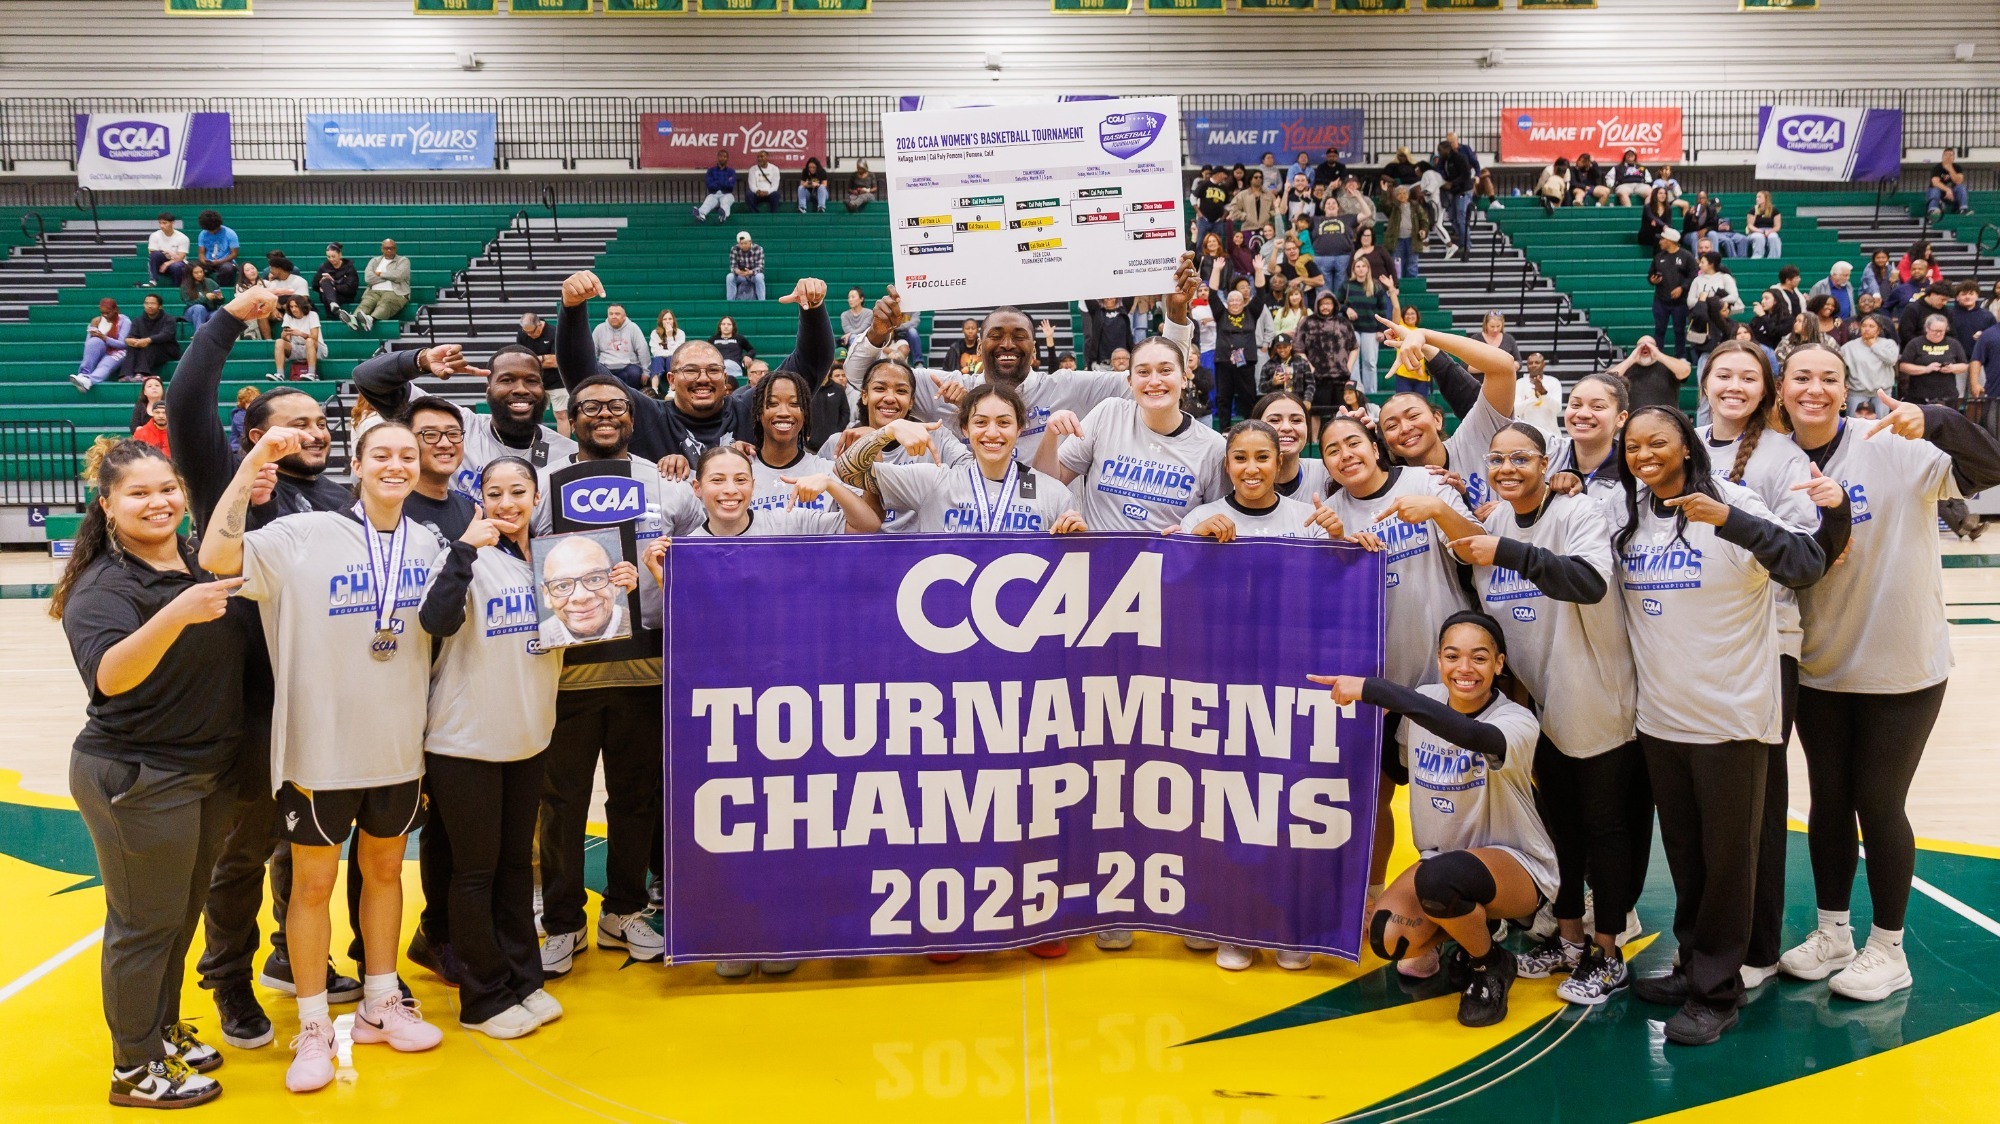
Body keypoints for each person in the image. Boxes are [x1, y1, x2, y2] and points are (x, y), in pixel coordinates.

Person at [200, 421, 450, 1092]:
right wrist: (253, 458)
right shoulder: (301, 535)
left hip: (399, 747)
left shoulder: (429, 543)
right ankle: (313, 1026)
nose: (396, 465)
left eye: (407, 455)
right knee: (311, 885)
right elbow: (216, 558)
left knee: (387, 873)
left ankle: (379, 1000)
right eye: (383, 455)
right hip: (319, 749)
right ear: (358, 466)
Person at [163, 291, 367, 1051]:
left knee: (307, 844)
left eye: (321, 422)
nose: (315, 432)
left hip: (320, 697)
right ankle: (229, 982)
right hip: (247, 700)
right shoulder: (230, 479)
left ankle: (289, 956)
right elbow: (187, 402)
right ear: (255, 436)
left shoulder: (344, 498)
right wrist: (229, 319)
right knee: (244, 851)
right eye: (296, 422)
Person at [1776, 345, 2000, 1003]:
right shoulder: (1772, 461)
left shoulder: (1893, 445)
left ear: (1847, 390)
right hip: (1819, 665)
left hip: (1902, 665)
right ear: (1782, 388)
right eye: (1801, 377)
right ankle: (1833, 933)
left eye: (1829, 378)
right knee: (1827, 803)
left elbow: (1988, 466)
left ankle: (1890, 947)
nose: (1815, 389)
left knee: (1879, 802)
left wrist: (1935, 419)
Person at [1613, 405, 1835, 1045]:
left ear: (1687, 446)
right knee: (1685, 858)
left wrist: (1731, 521)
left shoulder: (1734, 500)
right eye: (1633, 446)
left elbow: (1807, 563)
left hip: (1732, 719)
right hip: (1661, 718)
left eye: (1659, 442)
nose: (1644, 454)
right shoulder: (1631, 514)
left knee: (1729, 863)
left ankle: (1719, 990)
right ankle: (1692, 965)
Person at [51, 439, 254, 1109]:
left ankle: (161, 1032)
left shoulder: (201, 559)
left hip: (202, 772)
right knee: (142, 925)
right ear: (107, 505)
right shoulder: (104, 586)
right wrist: (176, 613)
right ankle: (133, 1070)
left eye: (166, 488)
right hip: (138, 775)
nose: (158, 502)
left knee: (178, 915)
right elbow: (110, 676)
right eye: (138, 493)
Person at [1442, 423, 1645, 1004]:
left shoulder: (1577, 512)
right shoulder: (1497, 519)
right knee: (1562, 830)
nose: (1508, 468)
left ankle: (1609, 951)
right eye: (1498, 458)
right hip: (1539, 703)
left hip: (1595, 694)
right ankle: (1571, 938)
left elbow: (1586, 581)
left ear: (1546, 460)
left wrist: (1506, 551)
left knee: (1604, 829)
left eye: (1521, 458)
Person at [1309, 613, 1551, 1027]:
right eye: (1452, 656)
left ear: (1499, 663)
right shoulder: (1425, 700)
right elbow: (1404, 763)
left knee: (1440, 879)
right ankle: (1466, 932)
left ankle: (1488, 965)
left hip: (1518, 866)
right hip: (1442, 862)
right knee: (1389, 939)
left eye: (1479, 658)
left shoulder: (1516, 721)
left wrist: (1376, 690)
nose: (1464, 669)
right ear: (1438, 660)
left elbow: (1473, 736)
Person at [414, 456, 565, 1039]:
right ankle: (481, 998)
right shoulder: (464, 556)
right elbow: (435, 619)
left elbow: (580, 629)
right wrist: (462, 551)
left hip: (528, 735)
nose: (507, 503)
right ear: (480, 500)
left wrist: (609, 590)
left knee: (511, 869)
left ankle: (523, 980)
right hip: (465, 741)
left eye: (518, 491)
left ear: (535, 496)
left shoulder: (556, 561)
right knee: (474, 873)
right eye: (495, 493)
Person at [557, 272, 832, 466]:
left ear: (726, 379)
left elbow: (808, 365)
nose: (703, 378)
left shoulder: (751, 409)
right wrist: (572, 308)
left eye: (713, 370)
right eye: (690, 371)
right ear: (671, 379)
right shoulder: (647, 416)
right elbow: (585, 379)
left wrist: (813, 309)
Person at [1037, 335, 1227, 542]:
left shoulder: (1213, 447)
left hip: (1168, 570)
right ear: (1130, 381)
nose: (1154, 381)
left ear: (1183, 378)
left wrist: (1194, 531)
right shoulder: (1108, 414)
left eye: (1165, 370)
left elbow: (1221, 520)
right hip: (1100, 566)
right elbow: (1049, 482)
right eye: (1143, 372)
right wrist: (1050, 435)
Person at [353, 333, 579, 505]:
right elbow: (366, 377)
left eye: (531, 381)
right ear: (488, 388)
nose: (521, 389)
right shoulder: (454, 426)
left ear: (543, 388)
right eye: (507, 380)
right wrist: (422, 360)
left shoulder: (567, 455)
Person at [1375, 324, 1522, 512]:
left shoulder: (1474, 436)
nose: (1405, 428)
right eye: (1391, 426)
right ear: (1386, 441)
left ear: (1437, 419)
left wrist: (1424, 336)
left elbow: (1504, 367)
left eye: (1413, 415)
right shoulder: (1395, 490)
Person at [536, 535, 635, 648]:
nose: (581, 596)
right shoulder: (536, 636)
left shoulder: (639, 624)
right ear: (546, 595)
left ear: (616, 583)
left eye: (594, 579)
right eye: (563, 586)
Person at [1340, 257, 1397, 394]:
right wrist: (1346, 309)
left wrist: (1380, 330)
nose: (1360, 269)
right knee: (1353, 363)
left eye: (1363, 266)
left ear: (1367, 269)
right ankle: (1356, 391)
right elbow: (1336, 303)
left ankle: (1371, 393)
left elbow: (1382, 309)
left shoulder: (1376, 286)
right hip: (1352, 329)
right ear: (1353, 269)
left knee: (1370, 362)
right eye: (1357, 266)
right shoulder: (1347, 285)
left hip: (1371, 329)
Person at [1897, 313, 1969, 405]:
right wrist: (1926, 369)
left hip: (1947, 395)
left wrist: (1952, 368)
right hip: (1919, 395)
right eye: (1935, 331)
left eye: (1942, 331)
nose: (1938, 334)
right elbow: (1903, 366)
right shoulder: (1915, 343)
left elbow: (1964, 366)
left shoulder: (1953, 343)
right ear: (1927, 329)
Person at [1839, 310, 1901, 416]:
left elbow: (1892, 360)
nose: (1867, 329)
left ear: (1879, 330)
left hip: (1882, 392)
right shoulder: (1848, 347)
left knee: (1882, 424)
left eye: (1871, 326)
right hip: (1857, 392)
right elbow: (1841, 369)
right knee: (1855, 423)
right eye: (1864, 326)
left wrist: (1873, 346)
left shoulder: (1889, 344)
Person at [1609, 336, 1691, 414]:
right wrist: (1631, 359)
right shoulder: (1626, 368)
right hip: (1634, 422)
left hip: (1666, 421)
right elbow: (1607, 381)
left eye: (1650, 345)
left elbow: (1685, 370)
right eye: (1640, 345)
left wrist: (1658, 355)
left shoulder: (1669, 366)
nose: (1645, 347)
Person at [1649, 228, 1697, 359]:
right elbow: (1650, 275)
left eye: (1663, 239)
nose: (1660, 242)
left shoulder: (1686, 256)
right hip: (1661, 300)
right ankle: (1657, 356)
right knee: (1659, 329)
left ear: (1670, 241)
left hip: (1680, 302)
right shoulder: (1659, 257)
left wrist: (1682, 288)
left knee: (1679, 330)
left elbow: (1693, 275)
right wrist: (1653, 280)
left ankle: (1680, 355)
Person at [347, 239, 410, 332]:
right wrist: (389, 275)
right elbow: (368, 278)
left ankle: (371, 319)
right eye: (386, 248)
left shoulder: (403, 260)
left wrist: (379, 273)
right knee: (366, 303)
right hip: (373, 290)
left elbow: (399, 276)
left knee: (385, 302)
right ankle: (354, 320)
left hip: (395, 292)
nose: (389, 250)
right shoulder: (375, 261)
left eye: (392, 248)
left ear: (396, 249)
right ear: (382, 249)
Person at [72, 298, 133, 393]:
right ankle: (84, 374)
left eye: (108, 313)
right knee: (94, 341)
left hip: (118, 351)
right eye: (102, 313)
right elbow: (88, 344)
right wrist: (93, 329)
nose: (105, 315)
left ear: (115, 310)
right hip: (102, 349)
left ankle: (89, 381)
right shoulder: (97, 321)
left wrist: (104, 337)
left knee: (105, 364)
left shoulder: (125, 321)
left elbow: (122, 344)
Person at [120, 293, 182, 383]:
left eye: (153, 303)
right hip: (145, 350)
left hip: (167, 350)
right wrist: (129, 340)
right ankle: (126, 374)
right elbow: (132, 335)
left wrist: (148, 340)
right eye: (147, 303)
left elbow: (166, 335)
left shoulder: (169, 319)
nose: (149, 306)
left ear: (160, 306)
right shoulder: (138, 320)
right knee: (131, 347)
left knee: (151, 344)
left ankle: (142, 374)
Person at [592, 304, 649, 389]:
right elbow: (591, 352)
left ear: (624, 316)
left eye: (617, 314)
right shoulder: (599, 329)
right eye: (611, 314)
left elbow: (642, 349)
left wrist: (646, 371)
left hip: (628, 366)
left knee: (635, 374)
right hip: (605, 366)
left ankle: (630, 400)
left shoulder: (633, 328)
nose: (614, 316)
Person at [271, 295, 324, 382]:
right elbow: (287, 338)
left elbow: (314, 337)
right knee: (279, 342)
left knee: (309, 341)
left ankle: (312, 373)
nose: (294, 309)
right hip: (296, 348)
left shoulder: (313, 315)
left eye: (296, 306)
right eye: (291, 307)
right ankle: (280, 374)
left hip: (315, 348)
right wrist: (284, 336)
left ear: (302, 306)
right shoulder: (288, 316)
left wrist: (300, 334)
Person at [1381, 185, 1430, 280]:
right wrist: (1384, 192)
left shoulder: (1415, 206)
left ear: (1408, 194)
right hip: (1397, 239)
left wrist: (1423, 230)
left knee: (1412, 263)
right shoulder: (1393, 207)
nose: (1402, 195)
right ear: (1395, 196)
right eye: (1399, 194)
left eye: (1404, 193)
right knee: (1397, 263)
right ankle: (1397, 284)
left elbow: (1424, 220)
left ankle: (1411, 286)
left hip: (1413, 239)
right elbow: (1384, 205)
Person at [1514, 354, 1562, 438]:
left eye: (1537, 362)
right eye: (1530, 363)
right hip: (1527, 435)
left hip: (1550, 434)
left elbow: (1557, 409)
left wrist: (1543, 393)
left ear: (1544, 364)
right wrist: (1533, 398)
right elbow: (1516, 410)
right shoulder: (1520, 383)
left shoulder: (1553, 382)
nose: (1533, 365)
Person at [313, 243, 359, 321]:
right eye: (328, 257)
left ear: (340, 254)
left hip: (345, 295)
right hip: (328, 292)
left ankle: (332, 315)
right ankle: (333, 304)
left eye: (333, 256)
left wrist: (335, 287)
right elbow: (314, 285)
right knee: (325, 281)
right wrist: (320, 286)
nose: (331, 259)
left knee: (326, 295)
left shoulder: (349, 268)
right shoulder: (323, 267)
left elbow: (351, 287)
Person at [144, 212, 190, 289]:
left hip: (177, 263)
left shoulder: (182, 238)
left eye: (165, 223)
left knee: (176, 266)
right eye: (160, 223)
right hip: (161, 262)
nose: (162, 226)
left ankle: (176, 287)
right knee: (155, 255)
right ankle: (153, 280)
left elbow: (181, 257)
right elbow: (152, 251)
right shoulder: (155, 235)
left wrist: (167, 263)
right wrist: (166, 253)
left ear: (172, 223)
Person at [195, 210, 239, 284]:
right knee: (191, 267)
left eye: (214, 230)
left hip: (226, 261)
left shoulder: (230, 233)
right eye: (209, 230)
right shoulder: (203, 234)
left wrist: (219, 261)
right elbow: (201, 253)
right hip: (209, 262)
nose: (212, 232)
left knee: (227, 269)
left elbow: (234, 254)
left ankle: (220, 290)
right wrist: (203, 260)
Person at [648, 309, 686, 395]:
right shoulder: (655, 333)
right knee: (657, 360)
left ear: (673, 320)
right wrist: (670, 352)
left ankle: (672, 389)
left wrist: (670, 336)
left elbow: (678, 353)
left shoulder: (680, 333)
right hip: (660, 360)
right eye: (665, 319)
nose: (668, 321)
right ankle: (654, 390)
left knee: (670, 359)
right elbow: (655, 352)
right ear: (661, 321)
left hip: (674, 360)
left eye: (670, 319)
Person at [1927, 148, 1972, 218]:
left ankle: (1963, 209)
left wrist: (1950, 169)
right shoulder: (1937, 168)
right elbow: (1935, 182)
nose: (1948, 157)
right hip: (1940, 193)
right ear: (1942, 157)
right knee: (1934, 189)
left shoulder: (1957, 168)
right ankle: (1932, 210)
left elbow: (1959, 181)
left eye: (1950, 155)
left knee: (1961, 187)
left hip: (1952, 195)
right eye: (1946, 155)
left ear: (1954, 158)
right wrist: (1948, 190)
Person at [695, 149, 737, 223]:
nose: (722, 158)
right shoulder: (711, 171)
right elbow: (710, 185)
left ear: (727, 158)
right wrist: (725, 181)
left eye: (725, 156)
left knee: (725, 201)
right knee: (708, 201)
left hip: (727, 193)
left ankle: (723, 215)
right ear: (717, 157)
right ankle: (701, 214)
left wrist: (717, 182)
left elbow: (730, 186)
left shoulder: (731, 171)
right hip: (714, 194)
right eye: (721, 156)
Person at [180, 263, 224, 334]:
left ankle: (214, 337)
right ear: (190, 274)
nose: (199, 274)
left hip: (210, 311)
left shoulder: (210, 282)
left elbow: (219, 302)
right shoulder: (185, 286)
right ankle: (199, 334)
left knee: (216, 314)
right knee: (199, 308)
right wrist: (205, 298)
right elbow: (189, 303)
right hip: (192, 312)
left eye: (201, 272)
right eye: (196, 273)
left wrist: (219, 298)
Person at [726, 230, 766, 302]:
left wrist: (750, 272)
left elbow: (760, 267)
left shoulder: (758, 249)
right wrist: (737, 271)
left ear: (750, 242)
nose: (743, 245)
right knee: (730, 277)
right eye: (741, 243)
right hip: (740, 275)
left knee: (759, 277)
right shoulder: (734, 249)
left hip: (753, 275)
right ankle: (730, 302)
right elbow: (733, 266)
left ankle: (762, 301)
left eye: (745, 243)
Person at [1746, 193, 1783, 259]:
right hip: (1756, 231)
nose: (1757, 199)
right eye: (1757, 197)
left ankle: (1774, 258)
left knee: (1773, 237)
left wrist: (1769, 231)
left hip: (1770, 230)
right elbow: (1750, 226)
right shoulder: (1753, 210)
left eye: (1759, 197)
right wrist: (1760, 231)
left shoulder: (1775, 211)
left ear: (1765, 199)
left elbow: (1777, 226)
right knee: (1759, 237)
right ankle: (1757, 257)